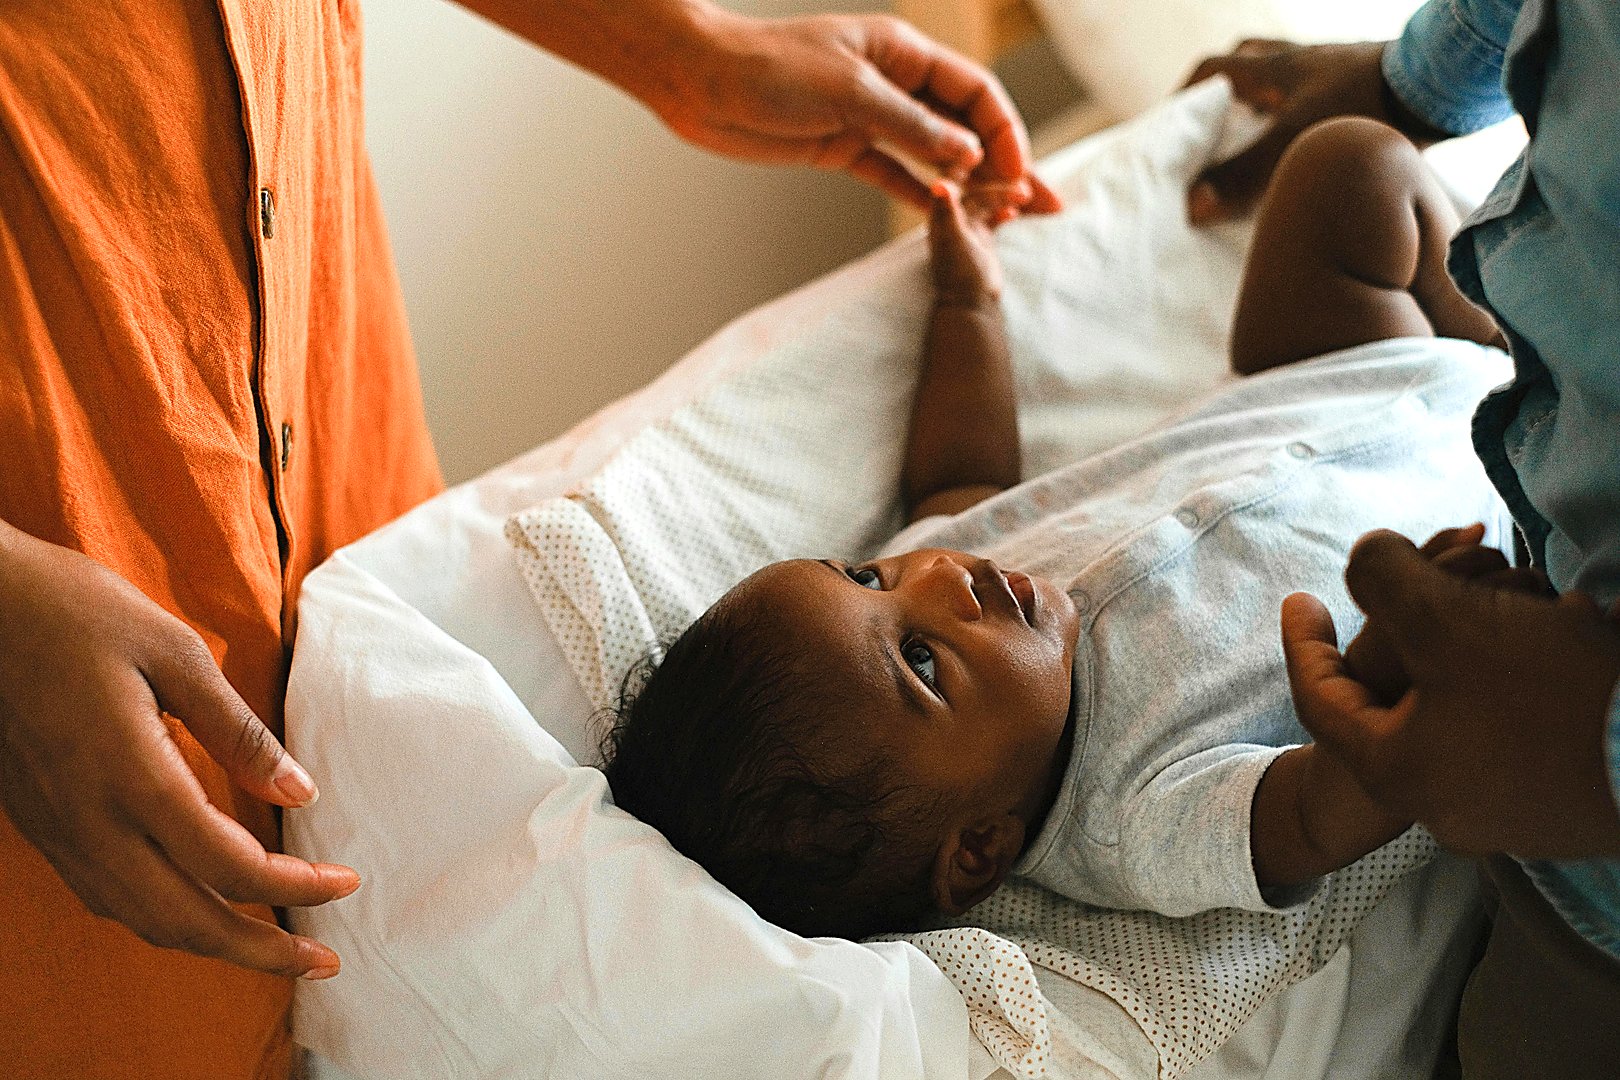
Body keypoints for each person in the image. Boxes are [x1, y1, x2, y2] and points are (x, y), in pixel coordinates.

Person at [0, 1, 1059, 1075]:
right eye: (870, 579)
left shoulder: (404, 684)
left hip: (302, 377)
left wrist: (682, 45)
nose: (937, 573)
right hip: (56, 631)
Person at [601, 118, 1517, 943]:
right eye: (922, 662)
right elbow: (1316, 814)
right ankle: (1534, 390)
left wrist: (967, 306)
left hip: (1343, 368)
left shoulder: (987, 572)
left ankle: (1500, 350)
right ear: (978, 852)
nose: (938, 576)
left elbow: (960, 473)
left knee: (1347, 167)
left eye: (866, 576)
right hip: (1493, 500)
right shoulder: (1137, 820)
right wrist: (1399, 671)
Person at [1186, 3, 1620, 1074]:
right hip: (1485, 461)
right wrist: (1422, 78)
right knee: (1352, 165)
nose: (937, 588)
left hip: (1587, 814)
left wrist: (1597, 744)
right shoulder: (1074, 811)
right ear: (974, 854)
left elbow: (1288, 817)